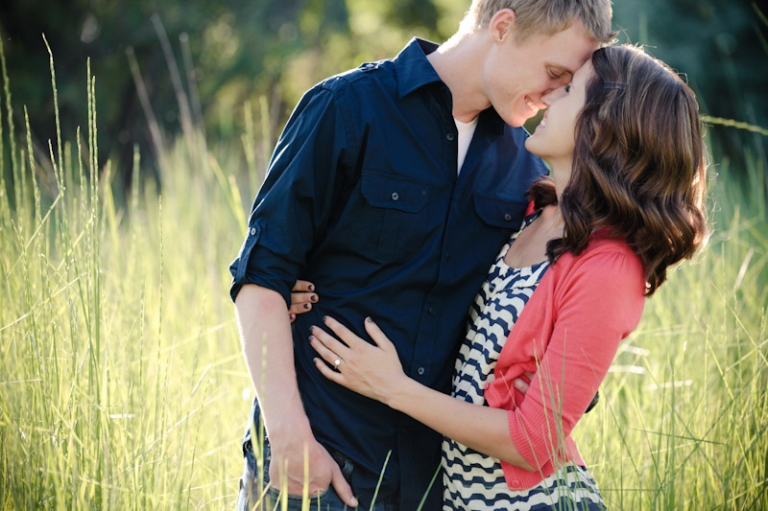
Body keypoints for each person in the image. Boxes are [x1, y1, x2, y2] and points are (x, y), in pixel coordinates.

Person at [229, 1, 615, 509]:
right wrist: (288, 435)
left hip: (437, 487)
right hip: (317, 464)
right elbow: (262, 277)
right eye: (553, 72)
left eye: (567, 84)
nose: (552, 94)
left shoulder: (525, 168)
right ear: (503, 27)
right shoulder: (346, 108)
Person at [307, 43, 709, 510]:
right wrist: (305, 279)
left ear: (604, 126)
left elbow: (534, 441)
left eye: (569, 90)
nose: (549, 95)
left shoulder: (609, 266)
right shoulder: (529, 211)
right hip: (461, 496)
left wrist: (393, 388)